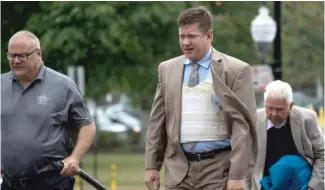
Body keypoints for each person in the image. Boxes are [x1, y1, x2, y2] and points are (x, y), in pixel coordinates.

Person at [144, 6, 257, 190]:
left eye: (192, 36)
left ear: (209, 36)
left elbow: (242, 127)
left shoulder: (236, 70)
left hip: (219, 169)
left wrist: (238, 176)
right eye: (182, 36)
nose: (186, 42)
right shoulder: (166, 69)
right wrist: (151, 165)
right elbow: (157, 121)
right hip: (178, 170)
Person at [1, 30, 97, 190]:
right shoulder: (1, 85)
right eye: (11, 56)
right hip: (10, 183)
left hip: (51, 181)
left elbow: (87, 125)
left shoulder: (63, 86)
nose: (15, 61)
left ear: (38, 54)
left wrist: (75, 158)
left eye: (21, 56)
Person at [248, 80, 324, 190]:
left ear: (290, 106)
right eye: (270, 108)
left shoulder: (308, 119)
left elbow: (322, 154)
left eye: (279, 109)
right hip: (265, 184)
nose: (274, 113)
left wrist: (313, 186)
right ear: (265, 104)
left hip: (301, 184)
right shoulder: (253, 120)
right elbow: (246, 160)